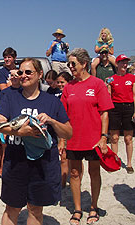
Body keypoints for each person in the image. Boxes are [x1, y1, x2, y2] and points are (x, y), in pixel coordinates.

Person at [0, 58, 72, 225]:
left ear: (40, 74)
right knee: (12, 208)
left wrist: (52, 121)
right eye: (20, 72)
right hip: (15, 162)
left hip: (43, 164)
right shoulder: (9, 96)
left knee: (35, 209)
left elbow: (68, 132)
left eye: (28, 72)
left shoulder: (52, 101)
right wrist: (20, 131)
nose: (23, 75)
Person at [61, 48, 114, 225]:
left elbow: (104, 113)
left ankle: (93, 206)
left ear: (84, 64)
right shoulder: (68, 87)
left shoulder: (97, 84)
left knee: (94, 172)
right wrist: (62, 139)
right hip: (74, 139)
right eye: (69, 64)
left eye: (73, 64)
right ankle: (77, 209)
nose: (70, 67)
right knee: (75, 173)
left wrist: (104, 137)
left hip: (94, 139)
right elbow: (63, 115)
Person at [107, 54, 135, 174]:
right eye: (122, 62)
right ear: (117, 64)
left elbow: (134, 95)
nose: (124, 65)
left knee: (128, 138)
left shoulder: (132, 78)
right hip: (115, 108)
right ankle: (115, 161)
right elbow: (108, 96)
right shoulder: (111, 79)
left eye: (126, 62)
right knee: (114, 137)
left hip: (129, 107)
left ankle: (129, 164)